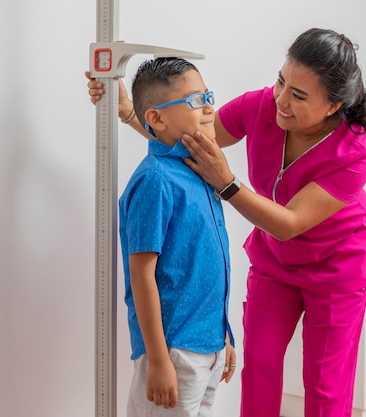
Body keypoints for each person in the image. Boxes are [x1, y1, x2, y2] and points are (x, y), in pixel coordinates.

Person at [88, 28, 366, 417]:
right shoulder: (261, 107)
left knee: (326, 386)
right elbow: (186, 138)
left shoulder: (355, 149)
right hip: (275, 262)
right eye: (281, 81)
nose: (281, 100)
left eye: (298, 95)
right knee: (261, 367)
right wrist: (128, 109)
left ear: (333, 106)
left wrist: (227, 182)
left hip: (337, 268)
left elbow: (290, 222)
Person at [115, 57, 236, 417]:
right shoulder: (155, 180)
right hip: (174, 349)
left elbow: (207, 267)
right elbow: (142, 275)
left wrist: (223, 336)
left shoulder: (200, 170)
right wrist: (157, 360)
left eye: (208, 96)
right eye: (197, 100)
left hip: (208, 343)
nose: (210, 107)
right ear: (156, 118)